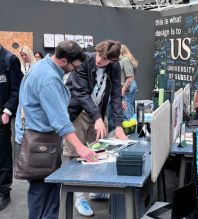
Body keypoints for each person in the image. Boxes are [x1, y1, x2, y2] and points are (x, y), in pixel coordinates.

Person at [15, 40, 97, 219]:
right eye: (75, 66)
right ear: (64, 60)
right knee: (43, 193)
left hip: (36, 139)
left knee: (47, 190)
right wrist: (80, 148)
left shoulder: (42, 66)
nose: (75, 69)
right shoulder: (49, 79)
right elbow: (61, 121)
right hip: (41, 143)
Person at [64, 40, 128, 216]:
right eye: (99, 55)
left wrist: (119, 126)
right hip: (78, 112)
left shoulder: (114, 67)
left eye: (105, 58)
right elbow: (81, 93)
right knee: (75, 153)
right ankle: (79, 198)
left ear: (113, 60)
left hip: (97, 112)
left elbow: (116, 95)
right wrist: (98, 118)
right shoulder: (84, 61)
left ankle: (96, 189)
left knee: (99, 150)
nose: (100, 60)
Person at [0, 45, 23, 211]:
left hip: (2, 115)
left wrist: (7, 111)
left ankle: (3, 191)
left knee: (3, 154)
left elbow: (18, 89)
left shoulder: (10, 60)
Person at [108, 44, 138, 130]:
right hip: (121, 89)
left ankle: (129, 133)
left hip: (124, 90)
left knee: (126, 113)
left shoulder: (125, 60)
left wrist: (123, 90)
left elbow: (130, 78)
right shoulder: (122, 60)